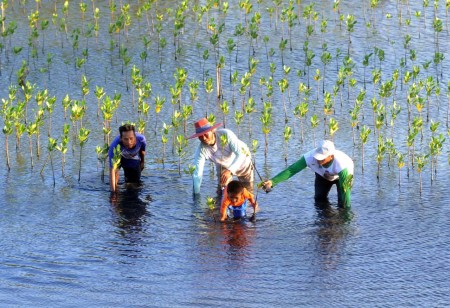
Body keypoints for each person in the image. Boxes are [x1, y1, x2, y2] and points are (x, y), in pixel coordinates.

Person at [262, 140, 354, 208]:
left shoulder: (343, 165)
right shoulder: (310, 157)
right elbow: (292, 170)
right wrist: (272, 182)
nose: (318, 159)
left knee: (343, 203)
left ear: (331, 156)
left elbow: (346, 193)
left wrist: (346, 219)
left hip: (342, 177)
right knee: (319, 199)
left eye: (322, 158)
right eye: (318, 157)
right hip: (322, 176)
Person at [189, 117, 254, 195]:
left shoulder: (226, 134)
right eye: (200, 136)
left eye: (205, 134)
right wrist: (196, 196)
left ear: (212, 130)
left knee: (247, 191)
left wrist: (230, 171)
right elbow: (197, 174)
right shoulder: (201, 150)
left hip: (243, 162)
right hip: (223, 166)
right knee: (223, 194)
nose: (203, 138)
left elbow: (241, 154)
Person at [108, 124, 146, 192]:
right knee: (115, 185)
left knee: (135, 183)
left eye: (131, 138)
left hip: (133, 159)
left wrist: (142, 162)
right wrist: (113, 194)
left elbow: (142, 150)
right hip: (119, 158)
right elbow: (112, 170)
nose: (129, 142)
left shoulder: (141, 139)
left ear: (135, 136)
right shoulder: (114, 146)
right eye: (125, 139)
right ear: (121, 138)